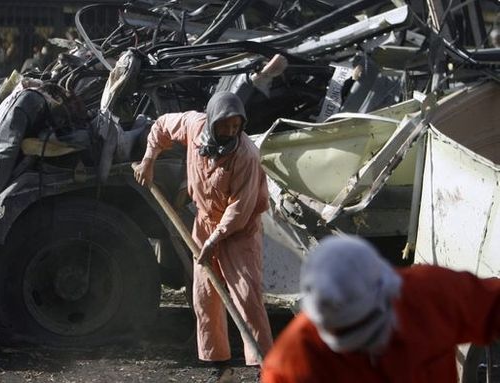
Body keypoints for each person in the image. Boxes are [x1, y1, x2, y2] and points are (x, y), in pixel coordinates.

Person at [134, 91, 275, 382]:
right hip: (205, 224)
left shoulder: (246, 155)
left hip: (240, 231)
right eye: (225, 125)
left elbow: (239, 209)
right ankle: (221, 368)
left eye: (236, 127)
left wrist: (213, 242)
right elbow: (161, 126)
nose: (230, 132)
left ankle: (267, 369)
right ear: (212, 121)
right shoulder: (194, 126)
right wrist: (149, 159)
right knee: (205, 297)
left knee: (247, 297)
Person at [261, 235, 500, 383]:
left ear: (390, 291)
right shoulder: (292, 367)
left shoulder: (430, 294)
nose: (371, 346)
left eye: (372, 331)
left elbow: (492, 306)